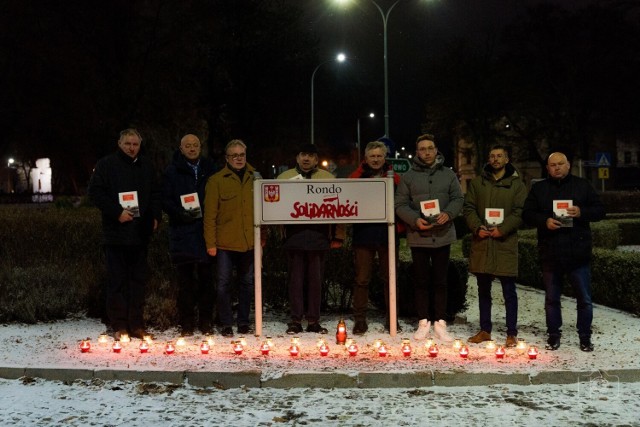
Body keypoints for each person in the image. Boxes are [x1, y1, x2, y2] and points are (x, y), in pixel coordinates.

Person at [522, 151, 605, 352]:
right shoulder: (539, 188)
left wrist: (581, 212)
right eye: (553, 165)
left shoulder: (582, 185)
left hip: (578, 253)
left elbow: (600, 211)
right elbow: (526, 214)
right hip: (551, 252)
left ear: (568, 165)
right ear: (547, 168)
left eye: (560, 164)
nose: (557, 167)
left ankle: (585, 337)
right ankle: (553, 335)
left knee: (584, 299)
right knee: (552, 299)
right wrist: (544, 221)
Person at [88, 128, 162, 340]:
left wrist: (155, 216)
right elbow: (95, 193)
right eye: (127, 144)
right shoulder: (106, 165)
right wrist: (116, 212)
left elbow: (156, 192)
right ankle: (119, 325)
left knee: (138, 281)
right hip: (116, 234)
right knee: (117, 282)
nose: (131, 148)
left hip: (140, 234)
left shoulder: (147, 165)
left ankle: (136, 324)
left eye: (135, 144)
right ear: (119, 143)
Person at [395, 134, 463, 343]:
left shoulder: (449, 175)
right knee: (421, 281)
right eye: (422, 149)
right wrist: (415, 220)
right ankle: (423, 321)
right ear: (417, 152)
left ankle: (440, 322)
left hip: (442, 235)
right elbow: (400, 204)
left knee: (441, 281)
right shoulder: (408, 177)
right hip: (419, 235)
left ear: (436, 150)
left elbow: (458, 198)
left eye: (430, 148)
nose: (426, 152)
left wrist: (449, 213)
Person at [463, 145, 527, 348]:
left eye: (500, 156)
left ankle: (511, 333)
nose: (496, 159)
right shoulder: (477, 183)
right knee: (483, 290)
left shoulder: (517, 185)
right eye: (492, 156)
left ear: (507, 159)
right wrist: (476, 227)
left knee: (509, 291)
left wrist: (503, 229)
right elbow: (469, 208)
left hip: (504, 242)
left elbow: (519, 211)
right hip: (483, 242)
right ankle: (485, 330)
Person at [277, 144, 345, 335]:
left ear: (316, 159)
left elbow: (339, 208)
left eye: (310, 156)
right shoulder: (284, 178)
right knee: (295, 282)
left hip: (319, 236)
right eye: (303, 155)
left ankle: (313, 320)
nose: (306, 159)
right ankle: (296, 320)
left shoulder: (328, 178)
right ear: (297, 158)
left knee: (316, 282)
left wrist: (339, 235)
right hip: (293, 237)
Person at [162, 134, 217, 336]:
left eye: (195, 145)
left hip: (205, 232)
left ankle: (205, 322)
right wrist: (180, 213)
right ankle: (186, 324)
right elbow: (165, 200)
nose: (192, 149)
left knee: (206, 281)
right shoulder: (172, 170)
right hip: (182, 232)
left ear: (200, 147)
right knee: (185, 283)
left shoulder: (211, 168)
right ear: (181, 148)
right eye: (188, 146)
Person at [203, 139, 260, 338]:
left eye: (241, 155)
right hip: (224, 244)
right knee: (223, 284)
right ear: (227, 158)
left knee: (247, 283)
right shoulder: (216, 180)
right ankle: (226, 322)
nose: (238, 159)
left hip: (249, 243)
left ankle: (243, 322)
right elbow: (209, 215)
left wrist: (262, 238)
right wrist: (210, 243)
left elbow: (263, 211)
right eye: (234, 155)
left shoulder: (256, 178)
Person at [349, 141, 401, 335]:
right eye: (373, 156)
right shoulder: (356, 177)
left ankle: (392, 318)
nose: (376, 159)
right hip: (363, 236)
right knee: (362, 279)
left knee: (390, 279)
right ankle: (360, 320)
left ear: (385, 157)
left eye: (379, 156)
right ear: (366, 158)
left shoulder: (394, 178)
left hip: (388, 235)